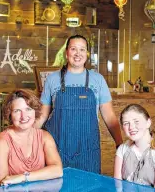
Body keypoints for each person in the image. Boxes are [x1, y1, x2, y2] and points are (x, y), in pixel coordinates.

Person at [36, 34, 123, 173]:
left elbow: (109, 116)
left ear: (87, 54)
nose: (78, 54)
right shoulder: (52, 79)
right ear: (66, 53)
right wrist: (27, 138)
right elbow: (42, 116)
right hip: (57, 148)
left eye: (82, 49)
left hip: (88, 149)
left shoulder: (98, 79)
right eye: (73, 49)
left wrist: (120, 143)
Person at [0, 89, 63, 190]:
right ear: (10, 115)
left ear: (35, 111)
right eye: (17, 111)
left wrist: (22, 177)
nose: (23, 116)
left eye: (28, 109)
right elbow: (2, 184)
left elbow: (57, 170)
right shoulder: (1, 142)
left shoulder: (45, 137)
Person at [114, 104, 155, 191]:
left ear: (148, 122)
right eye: (126, 123)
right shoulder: (122, 149)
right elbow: (118, 188)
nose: (131, 127)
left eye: (136, 121)